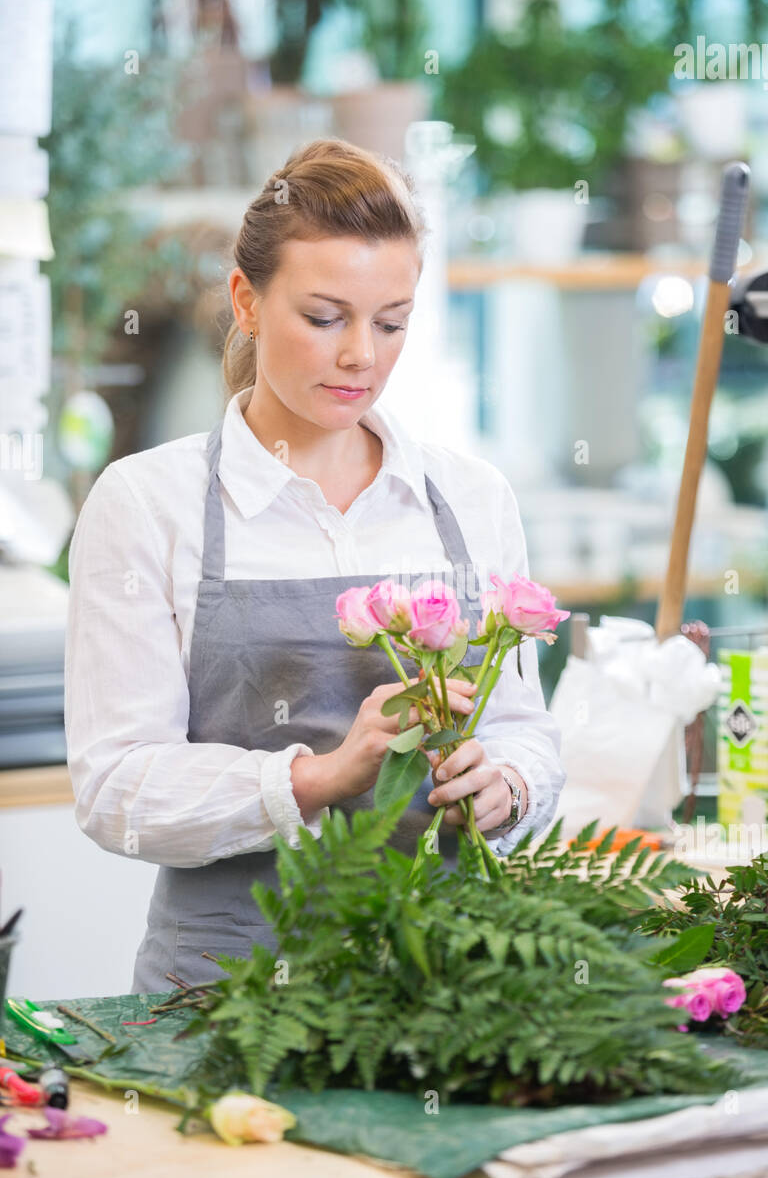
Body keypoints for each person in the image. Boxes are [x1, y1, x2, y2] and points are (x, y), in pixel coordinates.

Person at [64, 137, 566, 995]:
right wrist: (318, 779)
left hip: (447, 989)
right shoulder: (148, 502)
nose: (361, 356)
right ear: (246, 301)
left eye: (392, 321)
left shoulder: (472, 498)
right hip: (226, 1004)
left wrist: (508, 783)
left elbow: (526, 727)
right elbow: (115, 789)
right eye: (325, 317)